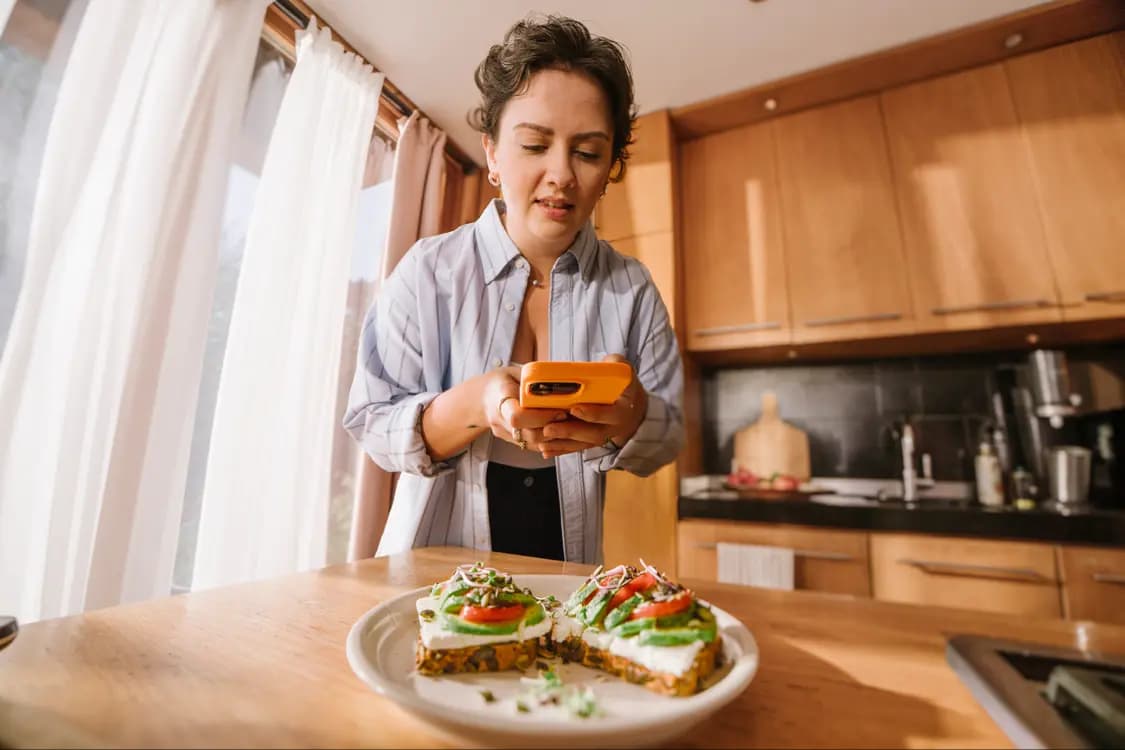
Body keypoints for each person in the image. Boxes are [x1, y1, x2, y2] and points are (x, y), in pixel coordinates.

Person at [343, 15, 683, 564]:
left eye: (589, 152)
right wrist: (476, 402)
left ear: (610, 169)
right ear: (494, 155)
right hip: (431, 565)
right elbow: (372, 422)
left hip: (567, 560)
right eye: (534, 145)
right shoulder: (428, 272)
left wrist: (631, 415)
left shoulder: (632, 289)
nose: (561, 174)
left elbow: (667, 437)